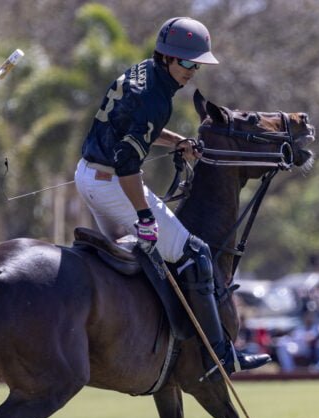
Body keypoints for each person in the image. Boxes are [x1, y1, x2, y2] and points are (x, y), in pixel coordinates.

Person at [74, 17, 269, 379]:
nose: (192, 71)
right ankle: (221, 354)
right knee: (195, 252)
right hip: (113, 182)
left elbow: (136, 130)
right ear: (166, 57)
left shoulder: (142, 73)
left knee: (136, 259)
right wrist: (144, 216)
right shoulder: (156, 98)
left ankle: (155, 346)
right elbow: (128, 166)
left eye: (198, 65)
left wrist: (176, 141)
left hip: (87, 176)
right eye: (187, 63)